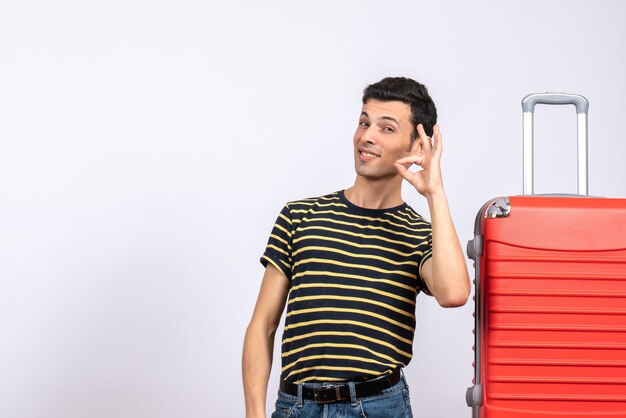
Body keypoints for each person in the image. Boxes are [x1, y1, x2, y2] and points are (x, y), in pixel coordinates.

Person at [242, 77, 470, 418]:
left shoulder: (419, 234)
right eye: (364, 122)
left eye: (386, 128)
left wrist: (434, 193)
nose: (367, 136)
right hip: (296, 407)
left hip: (377, 407)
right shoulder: (299, 216)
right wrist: (254, 413)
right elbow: (263, 325)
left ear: (417, 148)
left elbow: (453, 294)